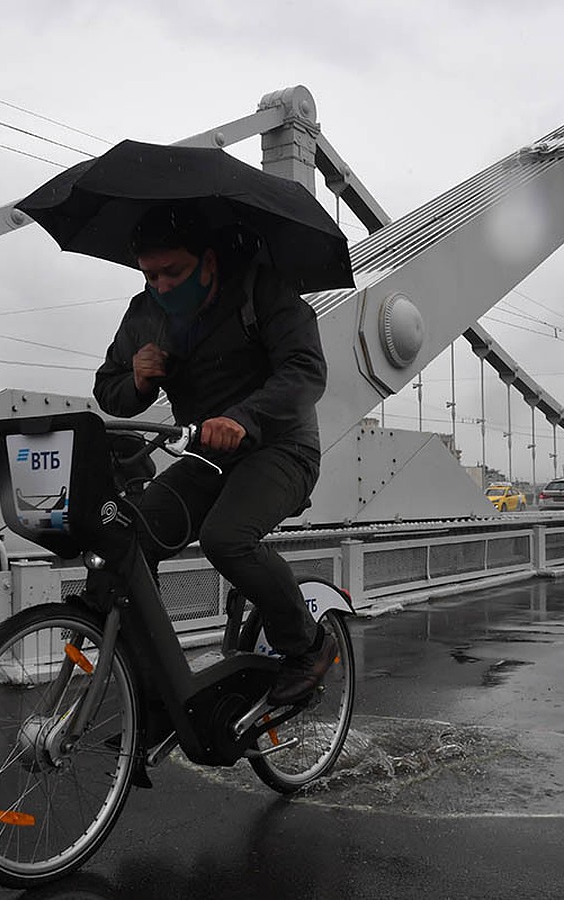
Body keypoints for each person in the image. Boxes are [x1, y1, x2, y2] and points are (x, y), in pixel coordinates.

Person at [93, 202, 337, 706]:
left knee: (226, 538)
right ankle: (153, 671)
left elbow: (306, 370)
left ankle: (307, 646)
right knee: (128, 536)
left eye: (173, 272)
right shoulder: (145, 314)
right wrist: (135, 380)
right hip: (206, 454)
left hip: (281, 447)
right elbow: (108, 389)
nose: (160, 285)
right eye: (150, 274)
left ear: (207, 261)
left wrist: (244, 418)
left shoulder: (260, 289)